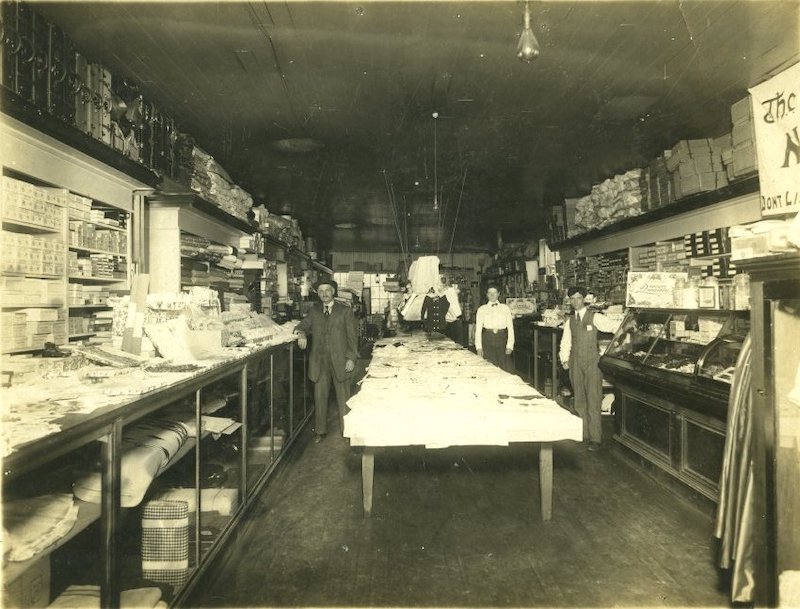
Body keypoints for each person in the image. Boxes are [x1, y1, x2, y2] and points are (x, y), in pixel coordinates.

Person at [294, 279, 358, 443]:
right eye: (321, 291)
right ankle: (320, 431)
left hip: (341, 361)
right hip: (320, 362)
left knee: (344, 398)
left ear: (333, 292)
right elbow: (302, 326)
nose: (324, 294)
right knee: (319, 397)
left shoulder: (345, 311)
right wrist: (301, 334)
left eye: (327, 290)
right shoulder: (314, 311)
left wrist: (351, 358)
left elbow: (352, 337)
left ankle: (347, 431)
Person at [558, 286, 621, 451]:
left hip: (593, 362)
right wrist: (564, 359)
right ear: (569, 301)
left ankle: (595, 438)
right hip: (575, 362)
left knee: (593, 399)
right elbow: (566, 342)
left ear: (584, 299)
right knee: (579, 399)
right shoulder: (570, 321)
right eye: (572, 299)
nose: (575, 301)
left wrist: (609, 351)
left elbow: (616, 328)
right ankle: (583, 434)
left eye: (578, 298)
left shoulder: (595, 317)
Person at [474, 285, 514, 371]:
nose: (492, 295)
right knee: (489, 367)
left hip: (502, 339)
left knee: (504, 367)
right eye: (489, 293)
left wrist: (510, 345)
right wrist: (479, 347)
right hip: (487, 339)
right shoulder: (482, 309)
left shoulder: (505, 308)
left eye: (494, 293)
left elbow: (510, 328)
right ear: (487, 295)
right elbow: (478, 330)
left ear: (498, 294)